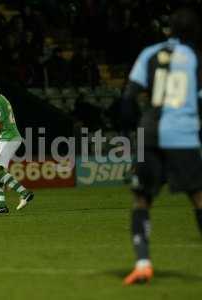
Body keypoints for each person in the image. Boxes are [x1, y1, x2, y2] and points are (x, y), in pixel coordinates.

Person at [121, 7, 202, 285]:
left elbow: (129, 96)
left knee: (142, 200)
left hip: (151, 132)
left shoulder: (150, 53)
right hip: (183, 134)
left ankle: (142, 264)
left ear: (169, 29)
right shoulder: (196, 58)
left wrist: (135, 127)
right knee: (198, 197)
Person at [0, 77, 34, 215]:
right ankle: (1, 205)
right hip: (6, 137)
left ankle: (24, 193)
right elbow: (1, 123)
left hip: (8, 138)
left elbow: (0, 125)